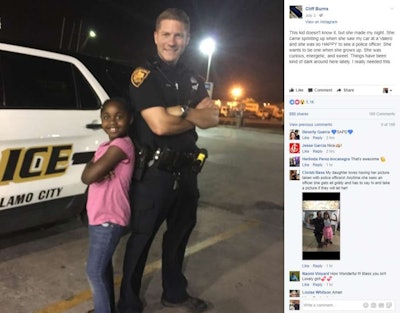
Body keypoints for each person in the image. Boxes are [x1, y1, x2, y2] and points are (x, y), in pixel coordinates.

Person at [118, 8, 219, 313]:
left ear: (187, 39)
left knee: (178, 238)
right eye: (166, 34)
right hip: (154, 176)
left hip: (187, 173)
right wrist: (191, 114)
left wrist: (177, 112)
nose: (171, 41)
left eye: (178, 35)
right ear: (156, 36)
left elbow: (212, 117)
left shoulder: (192, 77)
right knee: (141, 241)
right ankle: (128, 304)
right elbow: (159, 125)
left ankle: (174, 294)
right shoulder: (143, 75)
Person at [81, 98, 135, 313]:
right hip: (99, 216)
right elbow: (92, 171)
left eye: (119, 116)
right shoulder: (106, 146)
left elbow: (87, 177)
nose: (112, 121)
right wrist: (95, 167)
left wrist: (94, 169)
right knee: (102, 268)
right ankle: (104, 308)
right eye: (106, 117)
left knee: (94, 271)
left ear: (129, 119)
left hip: (109, 218)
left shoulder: (121, 145)